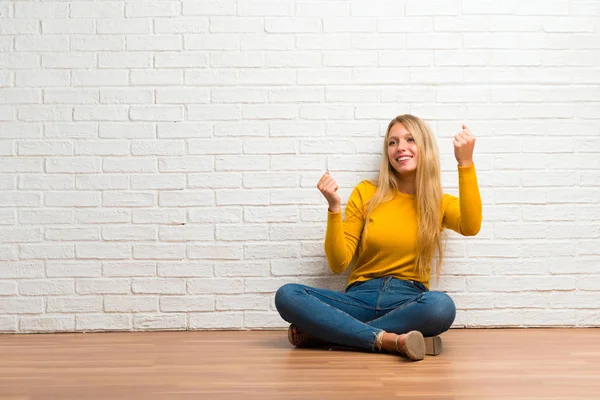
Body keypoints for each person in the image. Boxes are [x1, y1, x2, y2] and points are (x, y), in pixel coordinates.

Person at [274, 114, 482, 361]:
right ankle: (390, 340)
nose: (400, 147)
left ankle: (331, 334)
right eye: (392, 142)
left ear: (425, 147)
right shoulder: (367, 192)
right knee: (287, 295)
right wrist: (333, 209)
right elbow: (338, 263)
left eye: (409, 139)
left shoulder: (438, 202)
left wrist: (465, 162)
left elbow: (471, 226)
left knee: (441, 307)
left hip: (407, 300)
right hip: (359, 298)